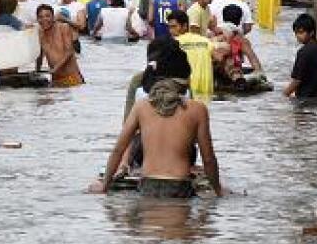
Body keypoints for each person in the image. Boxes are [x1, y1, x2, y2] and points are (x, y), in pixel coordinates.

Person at [90, 40, 222, 198]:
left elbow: (118, 149)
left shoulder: (141, 106)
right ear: (185, 78)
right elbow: (208, 159)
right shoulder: (197, 109)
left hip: (148, 185)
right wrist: (218, 191)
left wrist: (105, 185)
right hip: (180, 186)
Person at [167, 10, 216, 99]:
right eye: (169, 27)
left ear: (185, 26)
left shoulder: (173, 43)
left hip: (186, 93)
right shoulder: (205, 41)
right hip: (207, 92)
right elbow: (218, 56)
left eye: (174, 27)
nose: (171, 30)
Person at [285, 13, 317, 98]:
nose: (297, 36)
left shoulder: (303, 53)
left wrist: (284, 95)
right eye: (296, 33)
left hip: (306, 101)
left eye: (301, 32)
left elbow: (296, 80)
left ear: (311, 32)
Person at [35, 6, 84, 87]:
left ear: (53, 17)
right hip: (55, 80)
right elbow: (39, 55)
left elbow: (69, 51)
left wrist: (55, 68)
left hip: (72, 79)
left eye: (47, 16)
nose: (44, 19)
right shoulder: (39, 32)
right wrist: (37, 71)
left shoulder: (64, 27)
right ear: (37, 19)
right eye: (40, 17)